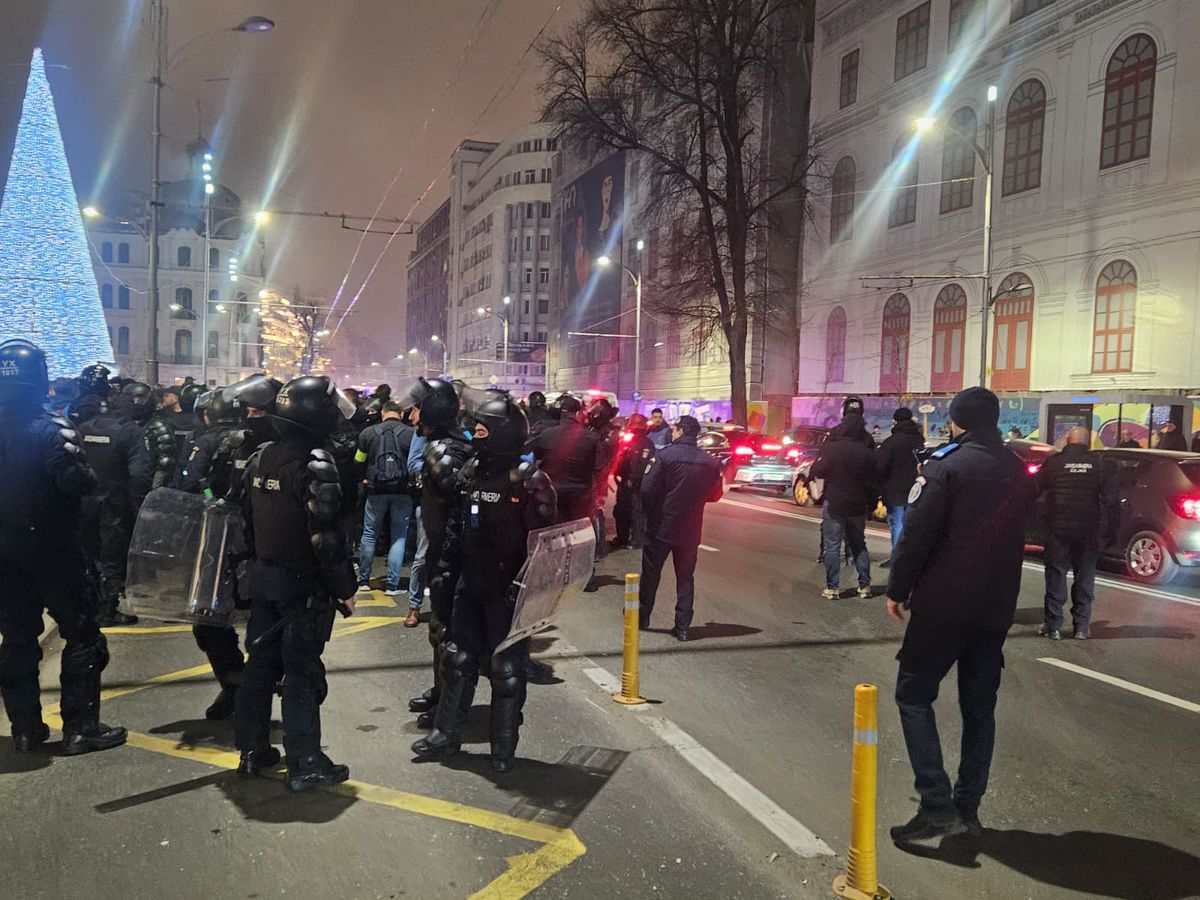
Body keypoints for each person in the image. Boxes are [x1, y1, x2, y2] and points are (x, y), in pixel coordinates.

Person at [886, 387, 1032, 843]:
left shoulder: (945, 466)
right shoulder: (1016, 468)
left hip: (944, 605)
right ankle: (968, 808)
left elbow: (916, 535)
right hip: (995, 607)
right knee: (979, 709)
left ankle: (936, 804)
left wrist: (898, 588)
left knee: (913, 695)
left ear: (958, 421)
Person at [411, 395, 557, 771]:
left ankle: (503, 748)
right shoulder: (471, 470)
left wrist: (530, 595)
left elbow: (546, 549)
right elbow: (457, 528)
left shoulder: (531, 481)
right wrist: (445, 575)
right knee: (456, 659)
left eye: (482, 429)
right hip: (470, 582)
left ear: (502, 433)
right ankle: (445, 735)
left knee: (506, 670)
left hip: (507, 590)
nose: (474, 434)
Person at [0, 340, 126, 755]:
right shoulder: (53, 430)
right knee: (83, 633)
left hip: (5, 552)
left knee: (17, 638)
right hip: (54, 549)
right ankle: (80, 727)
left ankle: (24, 728)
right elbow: (80, 483)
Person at [233, 375, 359, 791]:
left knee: (259, 666)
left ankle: (252, 750)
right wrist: (344, 588)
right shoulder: (315, 464)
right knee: (301, 673)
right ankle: (305, 762)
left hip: (265, 578)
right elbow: (326, 538)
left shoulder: (262, 456)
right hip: (302, 586)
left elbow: (246, 520)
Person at [406, 378, 475, 727]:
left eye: (417, 409)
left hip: (453, 557)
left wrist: (449, 558)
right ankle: (440, 692)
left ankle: (450, 710)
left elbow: (458, 513)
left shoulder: (446, 453)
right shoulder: (438, 447)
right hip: (441, 554)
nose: (412, 416)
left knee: (451, 633)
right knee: (439, 628)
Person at [76, 380, 155, 627]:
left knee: (89, 553)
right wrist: (138, 503)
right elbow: (139, 473)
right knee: (112, 555)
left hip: (83, 500)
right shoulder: (131, 431)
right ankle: (108, 608)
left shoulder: (85, 427)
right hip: (115, 502)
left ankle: (88, 604)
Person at [639, 416, 723, 641]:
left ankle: (642, 617)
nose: (672, 433)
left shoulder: (665, 456)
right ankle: (683, 627)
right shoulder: (710, 461)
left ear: (681, 431)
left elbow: (647, 489)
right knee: (685, 578)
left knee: (651, 573)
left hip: (662, 526)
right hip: (691, 528)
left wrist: (651, 513)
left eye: (675, 429)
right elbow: (715, 494)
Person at [1036, 427, 1115, 641]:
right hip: (1089, 529)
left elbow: (1036, 489)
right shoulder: (1099, 464)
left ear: (1068, 440)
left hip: (1058, 528)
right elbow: (1111, 500)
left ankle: (1053, 626)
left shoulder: (1054, 462)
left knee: (1056, 575)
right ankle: (1081, 627)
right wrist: (1110, 532)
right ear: (1088, 442)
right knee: (1085, 576)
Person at [354, 399, 416, 595]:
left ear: (382, 414)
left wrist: (363, 478)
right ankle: (392, 585)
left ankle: (364, 581)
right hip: (402, 491)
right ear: (401, 414)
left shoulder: (367, 433)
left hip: (375, 490)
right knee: (399, 536)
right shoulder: (411, 434)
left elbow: (358, 460)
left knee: (369, 534)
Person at [810, 413, 875, 600]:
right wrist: (871, 503)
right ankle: (865, 585)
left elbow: (817, 470)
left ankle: (833, 588)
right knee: (859, 544)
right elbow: (873, 479)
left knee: (832, 546)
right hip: (857, 503)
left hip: (835, 502)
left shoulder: (833, 448)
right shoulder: (865, 451)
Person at [874, 408, 925, 567]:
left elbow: (880, 466)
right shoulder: (919, 440)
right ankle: (911, 558)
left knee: (897, 523)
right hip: (916, 490)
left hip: (894, 490)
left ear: (895, 421)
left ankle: (898, 559)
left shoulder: (891, 442)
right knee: (911, 524)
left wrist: (879, 486)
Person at [613, 412, 655, 549]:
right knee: (621, 511)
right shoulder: (630, 441)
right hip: (624, 482)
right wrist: (617, 473)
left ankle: (638, 540)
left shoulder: (645, 443)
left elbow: (642, 464)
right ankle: (622, 538)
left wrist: (633, 478)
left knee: (637, 512)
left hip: (637, 485)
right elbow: (621, 459)